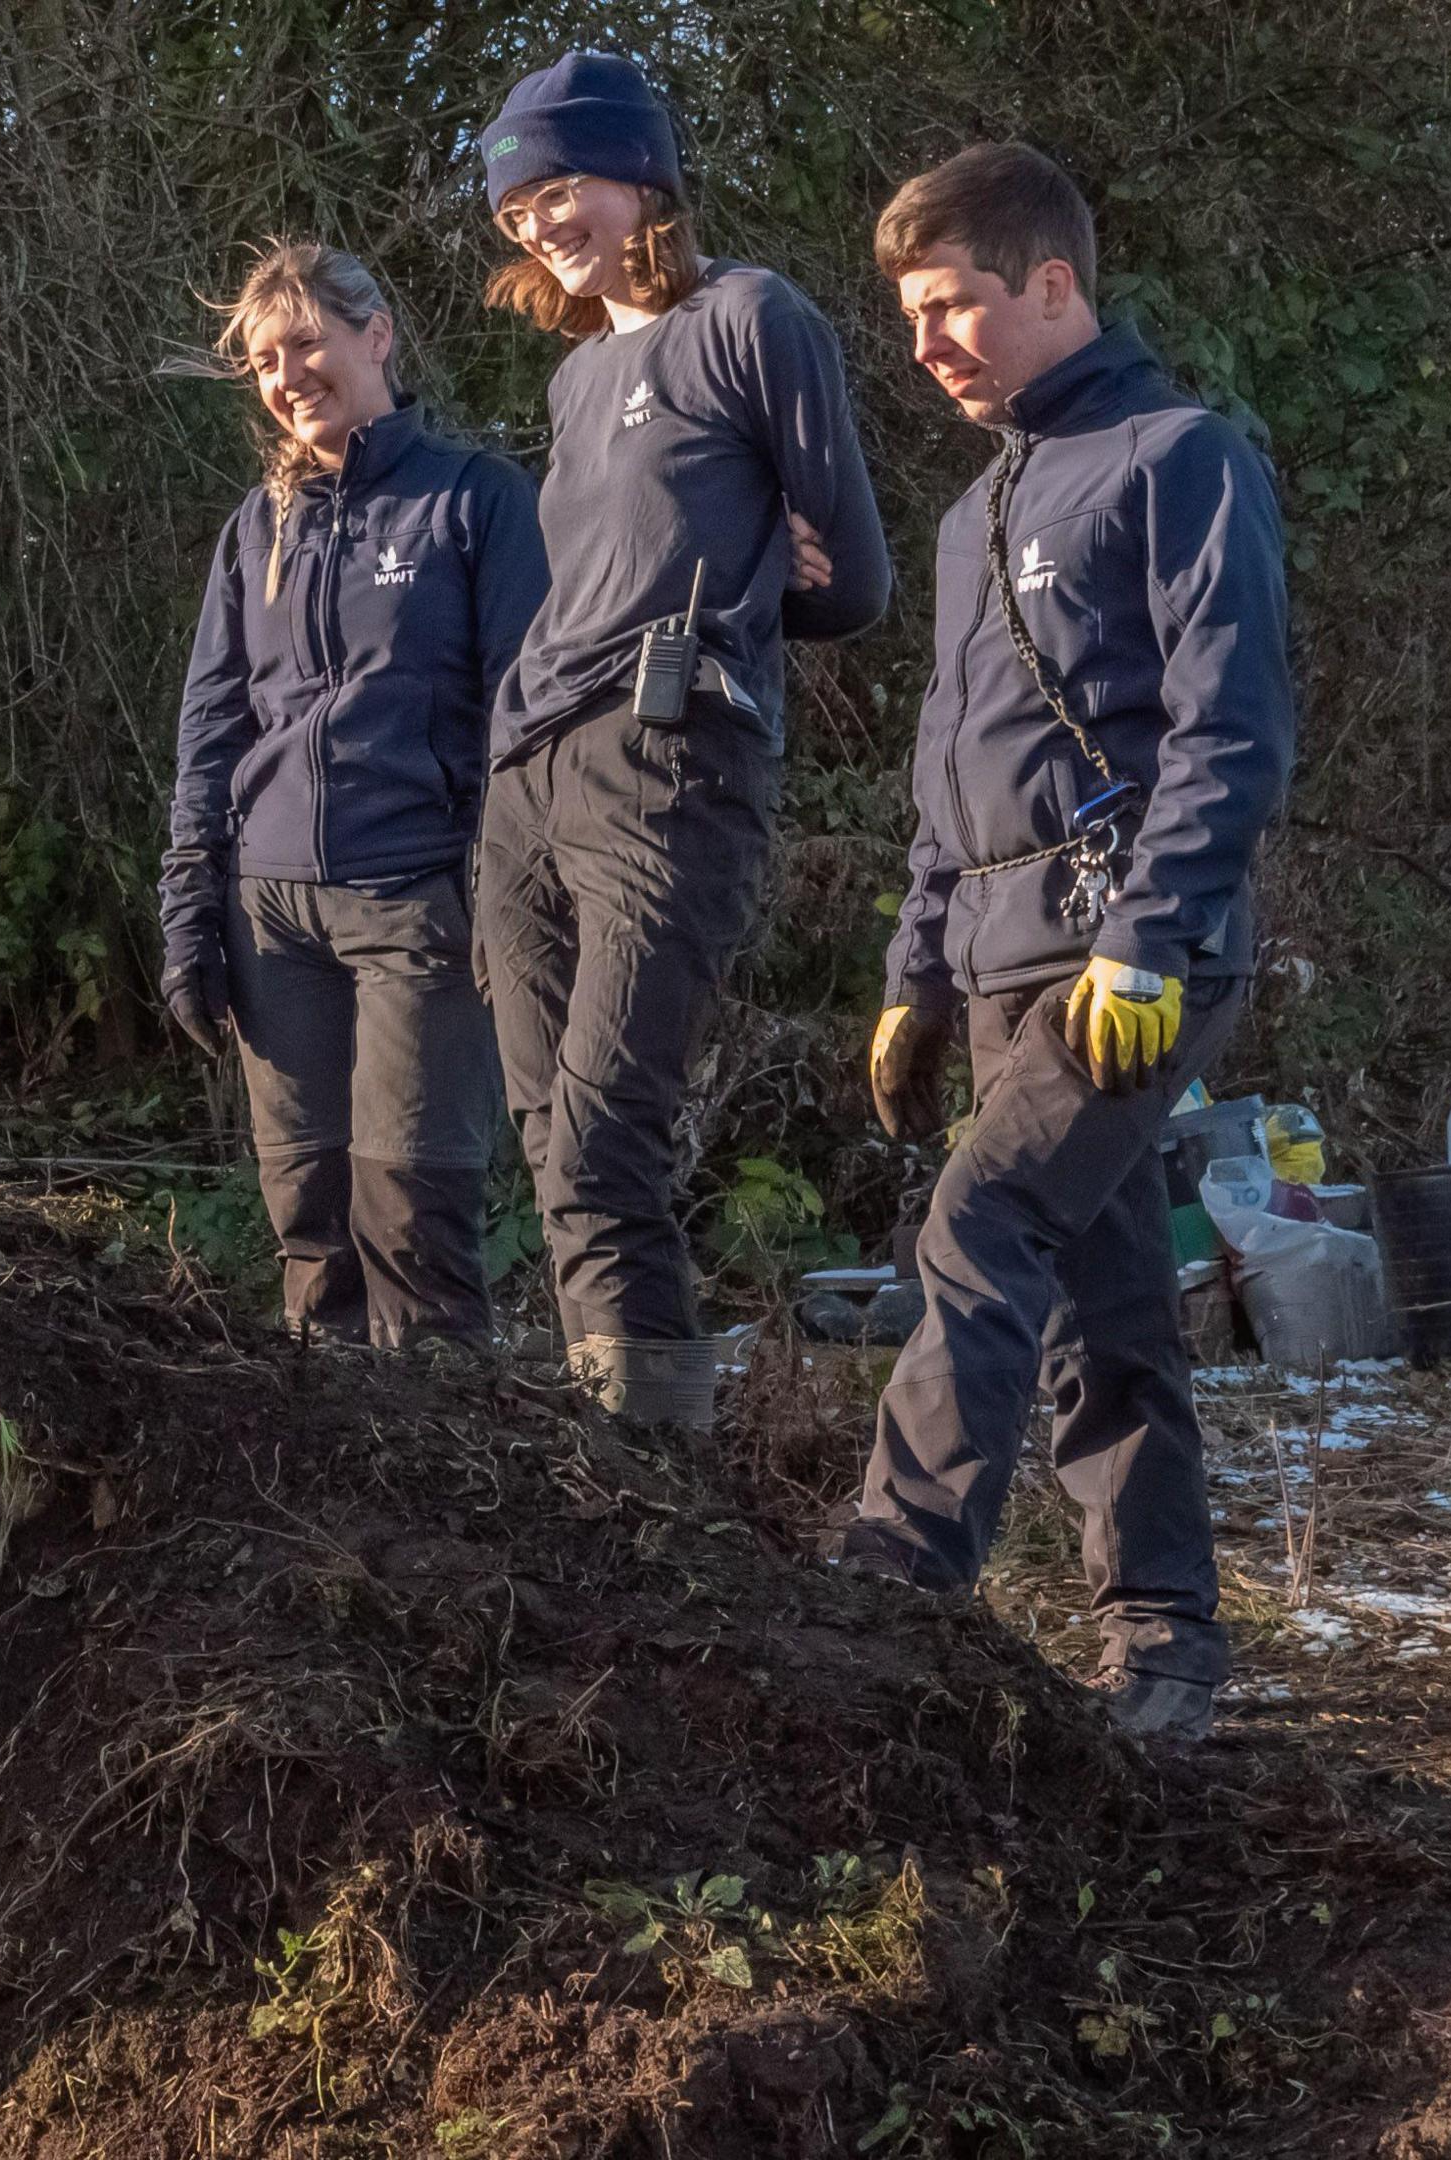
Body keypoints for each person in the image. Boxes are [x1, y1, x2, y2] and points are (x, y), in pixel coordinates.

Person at [834, 145, 1295, 1742]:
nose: (927, 345)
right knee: (1110, 1308)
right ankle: (1165, 1645)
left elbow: (1231, 731)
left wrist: (1153, 941)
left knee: (982, 1220)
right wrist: (913, 976)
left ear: (1052, 285)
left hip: (1133, 954)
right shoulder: (975, 513)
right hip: (1003, 954)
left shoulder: (1180, 457)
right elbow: (946, 776)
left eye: (952, 306)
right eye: (909, 319)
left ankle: (892, 1576)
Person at [468, 51, 893, 1422]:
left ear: (640, 174)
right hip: (528, 773)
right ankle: (620, 1462)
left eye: (563, 185)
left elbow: (856, 577)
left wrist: (766, 581)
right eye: (519, 203)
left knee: (604, 1134)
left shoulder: (751, 318)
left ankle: (662, 1473)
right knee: (549, 1142)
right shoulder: (577, 383)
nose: (541, 221)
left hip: (668, 756)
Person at [159, 239, 547, 1347]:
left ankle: (455, 1507)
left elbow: (522, 721)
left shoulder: (476, 502)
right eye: (264, 362)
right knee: (312, 1233)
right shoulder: (257, 527)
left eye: (305, 345)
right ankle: (331, 1506)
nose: (285, 378)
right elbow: (212, 727)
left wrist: (498, 890)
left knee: (414, 1224)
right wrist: (189, 907)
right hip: (269, 916)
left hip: (417, 904)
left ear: (376, 337)